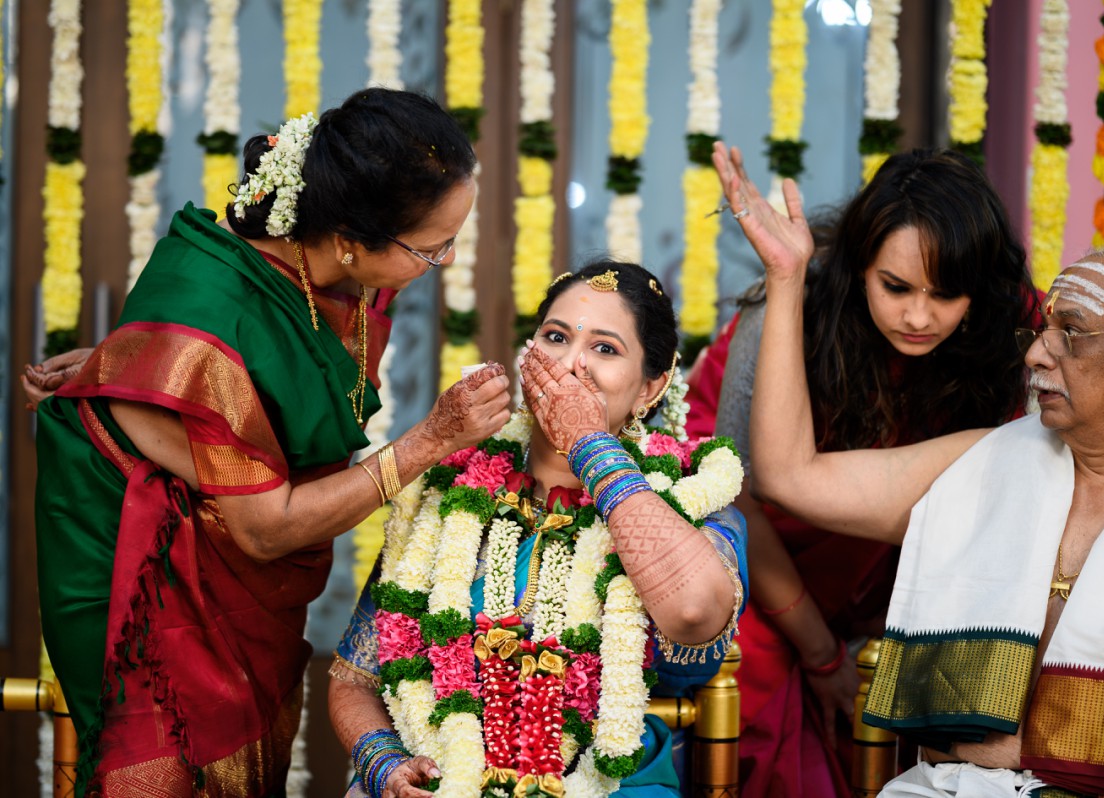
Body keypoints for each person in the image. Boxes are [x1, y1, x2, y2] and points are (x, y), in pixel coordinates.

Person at [31, 88, 512, 797]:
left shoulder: (353, 277)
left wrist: (130, 362)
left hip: (254, 604)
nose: (437, 263)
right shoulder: (207, 328)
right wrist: (430, 441)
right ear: (351, 236)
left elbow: (281, 371)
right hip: (164, 599)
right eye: (430, 249)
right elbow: (265, 529)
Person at [726, 142, 1104, 797]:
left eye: (1072, 334)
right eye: (1045, 330)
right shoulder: (990, 460)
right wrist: (786, 276)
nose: (1036, 352)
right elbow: (783, 479)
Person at [691, 144, 1039, 796]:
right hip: (760, 567)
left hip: (904, 590)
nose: (918, 316)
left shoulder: (1014, 331)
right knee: (752, 666)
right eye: (896, 287)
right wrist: (820, 653)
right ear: (858, 269)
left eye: (946, 294)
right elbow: (734, 499)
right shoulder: (792, 302)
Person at [328, 261, 749, 798]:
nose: (572, 364)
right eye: (556, 337)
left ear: (651, 387)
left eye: (605, 348)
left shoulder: (690, 499)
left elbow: (692, 610)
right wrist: (383, 763)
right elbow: (352, 680)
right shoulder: (450, 493)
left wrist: (589, 446)